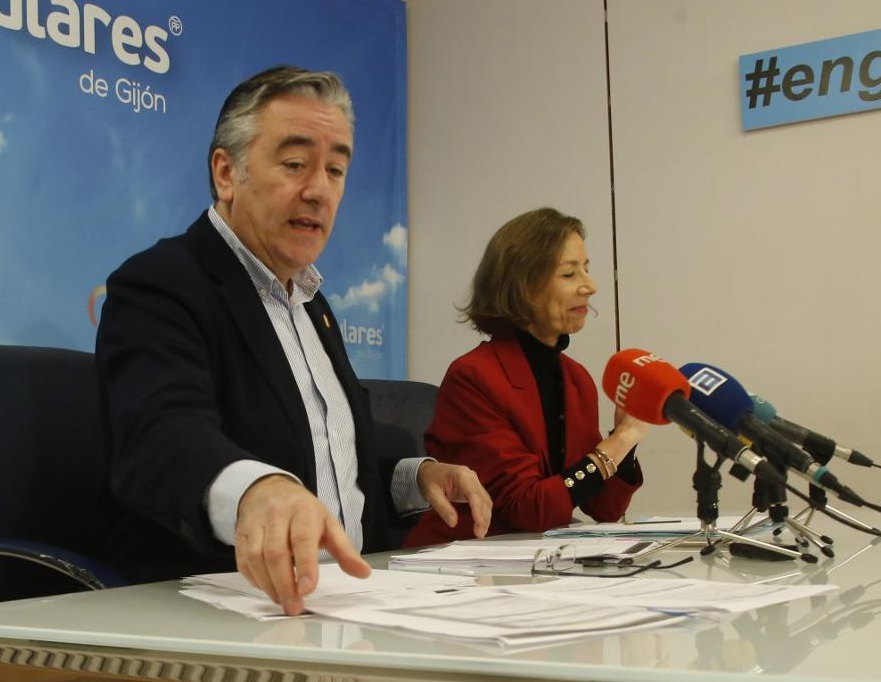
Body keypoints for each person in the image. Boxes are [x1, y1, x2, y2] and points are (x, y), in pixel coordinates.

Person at [96, 65, 492, 615]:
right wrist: (257, 491)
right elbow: (161, 435)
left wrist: (414, 475)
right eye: (295, 164)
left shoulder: (311, 304)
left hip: (353, 605)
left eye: (335, 170)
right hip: (231, 614)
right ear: (226, 172)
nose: (319, 190)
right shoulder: (161, 283)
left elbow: (322, 450)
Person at [404, 207, 648, 547]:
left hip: (540, 562)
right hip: (469, 567)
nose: (590, 286)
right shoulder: (474, 377)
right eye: (569, 274)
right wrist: (620, 441)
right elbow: (527, 508)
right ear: (523, 286)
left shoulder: (576, 379)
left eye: (587, 270)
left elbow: (604, 507)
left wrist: (626, 437)